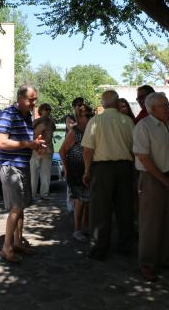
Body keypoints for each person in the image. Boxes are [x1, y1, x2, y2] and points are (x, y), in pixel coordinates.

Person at [81, 90, 135, 260]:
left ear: (103, 103)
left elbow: (88, 150)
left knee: (99, 210)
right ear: (117, 102)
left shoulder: (95, 121)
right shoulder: (127, 121)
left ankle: (98, 248)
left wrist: (87, 170)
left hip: (102, 169)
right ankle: (125, 246)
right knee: (125, 208)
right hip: (125, 168)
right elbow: (135, 149)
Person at [133, 93, 169, 281]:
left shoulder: (168, 125)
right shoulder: (143, 126)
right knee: (150, 223)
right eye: (165, 105)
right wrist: (163, 179)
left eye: (168, 104)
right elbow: (143, 157)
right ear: (152, 108)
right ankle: (147, 263)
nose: (168, 108)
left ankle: (165, 259)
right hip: (152, 178)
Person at [0, 85, 45, 263]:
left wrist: (36, 145)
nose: (34, 103)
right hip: (10, 167)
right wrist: (27, 144)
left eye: (35, 99)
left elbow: (25, 143)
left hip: (23, 165)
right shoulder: (7, 114)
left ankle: (17, 242)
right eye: (31, 99)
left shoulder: (27, 116)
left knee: (21, 206)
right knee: (16, 208)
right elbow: (1, 142)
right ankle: (6, 248)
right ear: (20, 98)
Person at [59, 104, 93, 242]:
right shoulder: (75, 131)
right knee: (80, 200)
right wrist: (66, 169)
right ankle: (77, 229)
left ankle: (85, 228)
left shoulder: (92, 129)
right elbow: (62, 151)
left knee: (87, 200)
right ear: (79, 116)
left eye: (91, 114)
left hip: (88, 168)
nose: (90, 117)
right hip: (76, 169)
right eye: (87, 115)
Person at [30, 103, 56, 200]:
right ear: (40, 110)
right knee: (33, 174)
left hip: (47, 150)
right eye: (46, 109)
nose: (48, 111)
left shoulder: (51, 122)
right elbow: (31, 135)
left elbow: (51, 133)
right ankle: (32, 194)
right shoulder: (36, 121)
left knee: (46, 174)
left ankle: (44, 194)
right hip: (35, 150)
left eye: (49, 109)